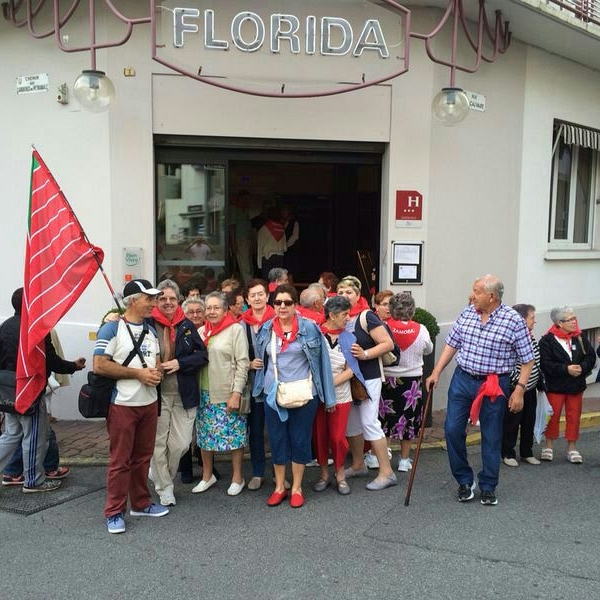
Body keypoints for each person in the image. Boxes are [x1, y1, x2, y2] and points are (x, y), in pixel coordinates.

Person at [426, 275, 534, 506]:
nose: (472, 295)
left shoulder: (513, 321)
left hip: (494, 383)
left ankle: (488, 485)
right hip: (463, 379)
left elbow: (527, 359)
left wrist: (520, 390)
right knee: (453, 429)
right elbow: (452, 344)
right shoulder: (467, 313)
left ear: (491, 296)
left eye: (476, 291)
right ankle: (464, 480)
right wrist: (436, 371)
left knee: (492, 435)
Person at [94, 279, 168, 534]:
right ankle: (114, 512)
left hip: (149, 403)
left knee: (142, 458)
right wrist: (138, 375)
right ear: (133, 300)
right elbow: (99, 365)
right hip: (123, 404)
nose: (154, 304)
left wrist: (156, 371)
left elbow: (155, 361)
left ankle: (141, 503)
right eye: (150, 299)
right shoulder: (111, 328)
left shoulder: (150, 328)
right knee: (120, 460)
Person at [253, 284, 336, 508]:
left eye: (287, 302)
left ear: (295, 305)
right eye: (278, 302)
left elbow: (323, 364)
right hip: (273, 393)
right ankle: (280, 487)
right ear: (273, 305)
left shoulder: (310, 328)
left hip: (304, 393)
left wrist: (328, 398)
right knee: (277, 440)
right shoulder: (266, 329)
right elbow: (260, 358)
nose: (282, 307)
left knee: (299, 440)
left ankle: (297, 488)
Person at [0, 288, 85, 493]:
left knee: (11, 434)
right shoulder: (37, 329)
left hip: (7, 390)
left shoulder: (5, 326)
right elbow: (52, 361)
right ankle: (34, 481)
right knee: (34, 436)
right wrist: (74, 366)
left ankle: (27, 477)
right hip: (30, 390)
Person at [148, 280, 208, 507]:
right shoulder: (148, 324)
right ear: (156, 301)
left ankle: (159, 473)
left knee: (181, 444)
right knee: (158, 443)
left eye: (172, 298)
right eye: (162, 298)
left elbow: (202, 356)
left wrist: (180, 363)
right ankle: (165, 488)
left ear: (179, 300)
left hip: (184, 394)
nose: (168, 302)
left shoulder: (186, 325)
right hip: (157, 394)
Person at [336, 276, 397, 491]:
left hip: (368, 377)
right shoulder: (338, 317)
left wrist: (365, 354)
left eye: (349, 292)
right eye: (341, 292)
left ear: (358, 295)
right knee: (352, 424)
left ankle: (386, 472)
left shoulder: (366, 316)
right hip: (349, 380)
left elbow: (387, 343)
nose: (344, 296)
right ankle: (359, 464)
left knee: (370, 422)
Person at [192, 292, 250, 496]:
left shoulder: (235, 330)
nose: (212, 311)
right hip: (203, 392)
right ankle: (207, 476)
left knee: (234, 436)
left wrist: (236, 392)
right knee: (205, 437)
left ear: (225, 310)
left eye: (216, 307)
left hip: (227, 392)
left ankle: (237, 477)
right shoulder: (201, 331)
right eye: (209, 308)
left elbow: (243, 363)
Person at [381, 292, 433, 472]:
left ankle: (382, 454)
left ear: (391, 309)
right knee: (408, 419)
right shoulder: (422, 329)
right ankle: (404, 460)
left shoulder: (383, 327)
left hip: (387, 379)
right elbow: (428, 350)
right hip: (412, 381)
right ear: (412, 310)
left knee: (384, 419)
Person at [538, 306, 595, 464]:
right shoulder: (547, 340)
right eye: (569, 320)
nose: (574, 322)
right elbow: (545, 363)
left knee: (574, 416)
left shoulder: (580, 337)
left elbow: (590, 357)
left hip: (576, 385)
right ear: (559, 323)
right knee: (553, 416)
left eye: (574, 318)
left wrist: (582, 368)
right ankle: (548, 446)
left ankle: (572, 447)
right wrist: (565, 369)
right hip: (556, 386)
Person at [312, 296, 354, 495]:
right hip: (318, 396)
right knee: (320, 436)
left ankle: (340, 474)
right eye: (345, 314)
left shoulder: (349, 337)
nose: (348, 318)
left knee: (337, 437)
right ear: (332, 315)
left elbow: (350, 371)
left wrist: (328, 387)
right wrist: (324, 391)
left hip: (341, 395)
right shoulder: (315, 335)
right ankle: (324, 474)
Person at [240, 279, 275, 491]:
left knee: (277, 431)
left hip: (276, 384)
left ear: (267, 296)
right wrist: (248, 362)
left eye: (260, 294)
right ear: (247, 299)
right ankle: (258, 472)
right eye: (252, 295)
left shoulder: (279, 319)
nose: (257, 298)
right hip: (254, 385)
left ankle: (279, 473)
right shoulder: (241, 324)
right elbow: (235, 356)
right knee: (255, 431)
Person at [501, 304, 542, 466]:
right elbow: (507, 364)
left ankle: (527, 452)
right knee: (512, 422)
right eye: (532, 318)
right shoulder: (512, 338)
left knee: (528, 421)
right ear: (521, 320)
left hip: (530, 389)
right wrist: (519, 383)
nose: (534, 322)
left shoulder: (530, 336)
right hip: (516, 388)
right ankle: (508, 453)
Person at [229, 190, 254, 284]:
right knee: (245, 267)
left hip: (247, 240)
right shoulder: (234, 209)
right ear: (240, 199)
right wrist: (233, 244)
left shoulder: (244, 211)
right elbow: (232, 227)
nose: (247, 201)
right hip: (240, 240)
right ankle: (249, 286)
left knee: (249, 266)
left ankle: (249, 285)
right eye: (246, 199)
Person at [257, 208, 287, 279]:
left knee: (268, 282)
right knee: (278, 281)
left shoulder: (263, 229)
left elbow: (260, 247)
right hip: (280, 258)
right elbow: (285, 247)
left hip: (268, 258)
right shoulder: (282, 229)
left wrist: (259, 265)